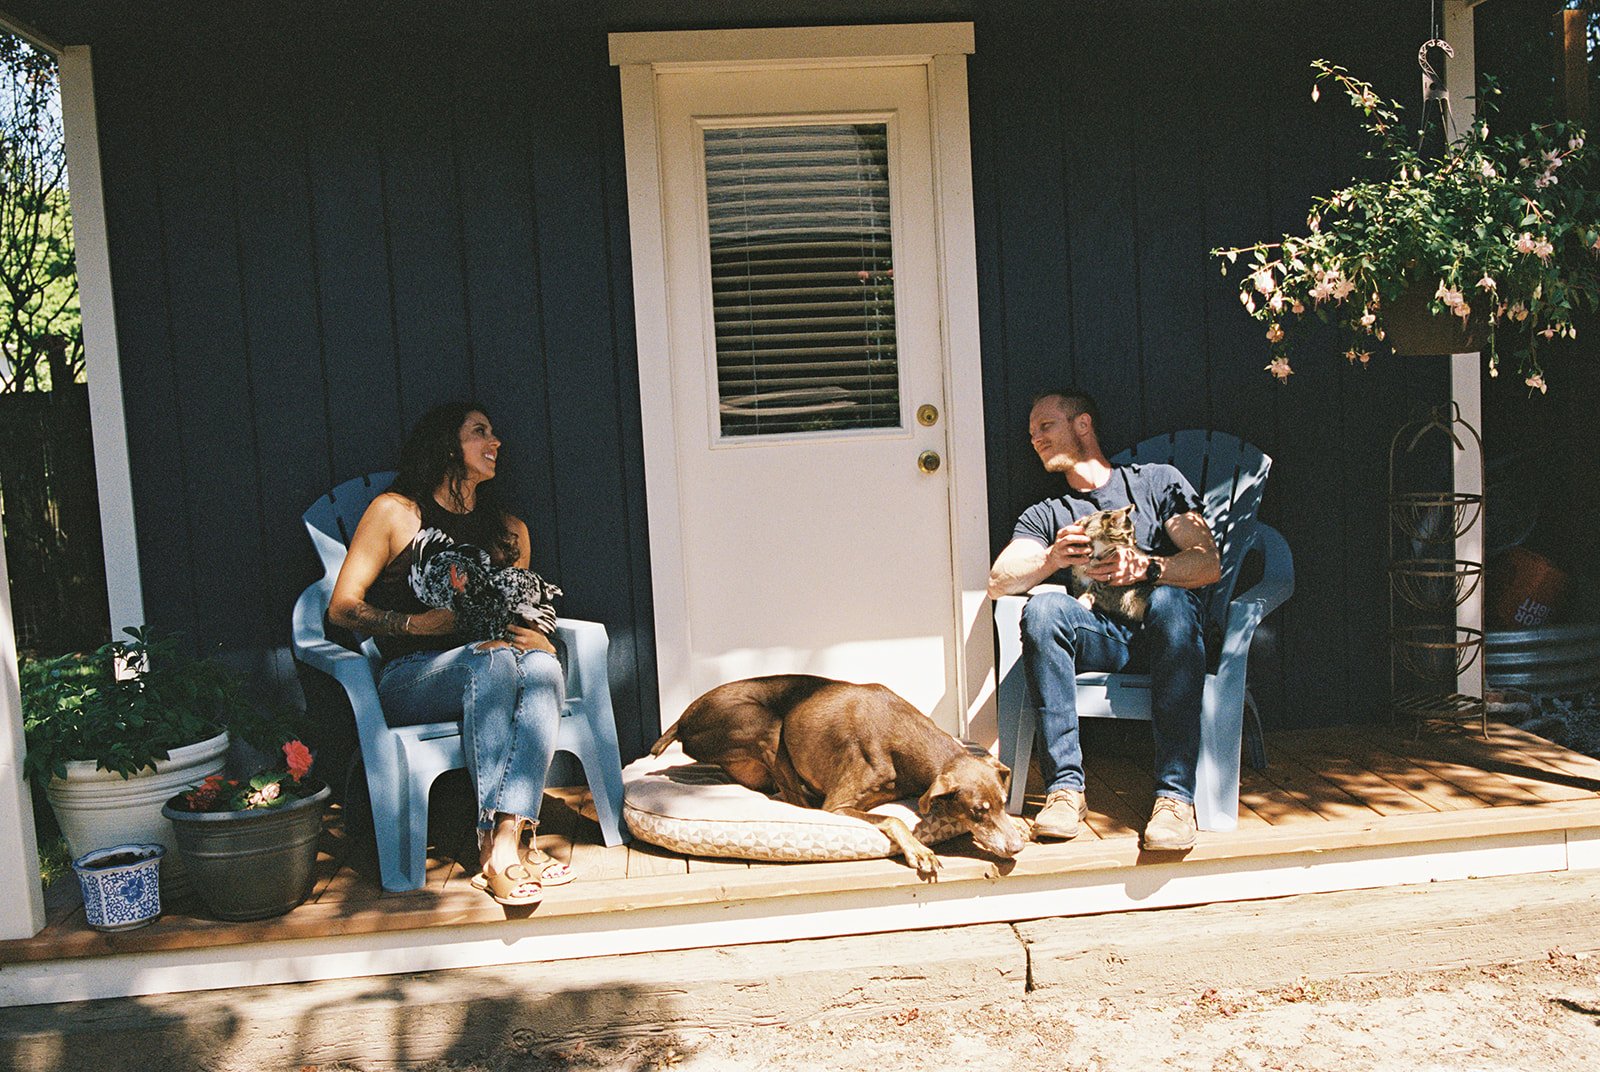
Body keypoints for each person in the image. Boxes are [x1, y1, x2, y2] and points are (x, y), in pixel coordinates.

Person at [328, 401, 571, 905]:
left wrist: (541, 638)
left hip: (493, 663)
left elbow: (519, 614)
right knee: (494, 659)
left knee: (543, 666)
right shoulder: (395, 513)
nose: (495, 442)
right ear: (447, 446)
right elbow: (342, 607)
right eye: (480, 432)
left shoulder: (510, 532)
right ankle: (502, 842)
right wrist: (417, 624)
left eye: (494, 432)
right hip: (411, 677)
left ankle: (503, 840)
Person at [987, 390, 1221, 850]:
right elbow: (998, 581)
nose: (1035, 439)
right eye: (1032, 433)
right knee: (1045, 608)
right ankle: (1064, 790)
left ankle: (1175, 799)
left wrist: (1151, 568)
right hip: (1103, 638)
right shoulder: (1048, 513)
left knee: (1172, 601)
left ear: (1083, 425)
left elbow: (1207, 561)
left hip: (1166, 635)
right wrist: (1052, 558)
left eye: (1045, 426)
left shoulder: (1157, 482)